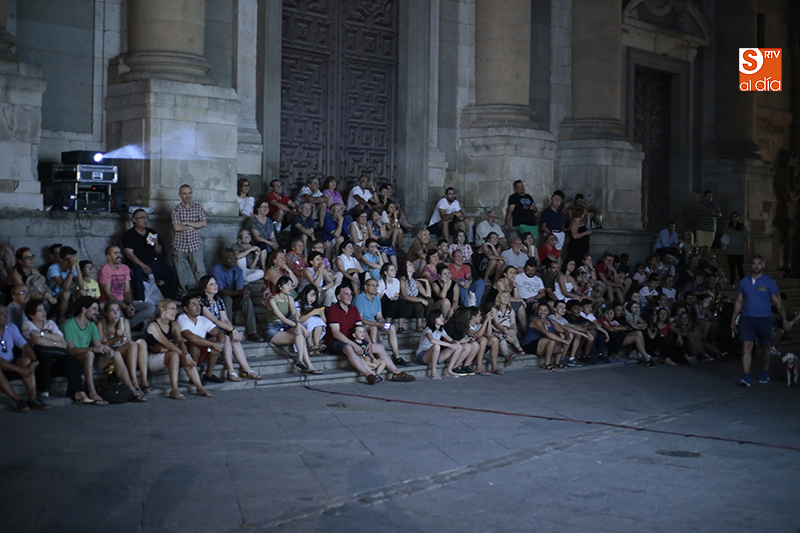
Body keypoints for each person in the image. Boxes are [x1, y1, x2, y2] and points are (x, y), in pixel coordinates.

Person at [324, 285, 415, 383]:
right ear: (338, 297)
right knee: (348, 348)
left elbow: (361, 328)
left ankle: (396, 372)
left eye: (351, 294)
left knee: (379, 347)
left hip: (356, 338)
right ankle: (369, 375)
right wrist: (354, 345)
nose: (350, 296)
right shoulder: (333, 310)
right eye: (346, 294)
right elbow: (336, 333)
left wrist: (369, 342)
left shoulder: (354, 308)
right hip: (336, 342)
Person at [63, 296, 145, 403]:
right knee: (89, 354)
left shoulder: (92, 326)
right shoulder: (68, 324)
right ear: (84, 309)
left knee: (116, 354)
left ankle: (132, 390)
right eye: (94, 309)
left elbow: (99, 346)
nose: (97, 312)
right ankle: (92, 392)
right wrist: (93, 348)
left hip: (93, 361)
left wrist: (107, 350)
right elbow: (71, 350)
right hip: (74, 362)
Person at [731, 256, 790, 386]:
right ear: (750, 265)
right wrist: (733, 319)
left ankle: (765, 370)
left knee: (765, 346)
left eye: (759, 263)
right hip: (747, 318)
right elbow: (739, 301)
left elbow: (778, 302)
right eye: (754, 263)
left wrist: (784, 319)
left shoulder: (769, 282)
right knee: (746, 345)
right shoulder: (744, 282)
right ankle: (746, 375)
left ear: (763, 265)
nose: (756, 266)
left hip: (764, 319)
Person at [196, 274, 262, 381]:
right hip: (207, 332)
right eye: (211, 284)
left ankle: (247, 370)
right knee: (225, 338)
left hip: (219, 330)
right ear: (204, 288)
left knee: (233, 339)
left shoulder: (218, 300)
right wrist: (232, 330)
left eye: (215, 283)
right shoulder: (201, 302)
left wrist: (233, 331)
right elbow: (214, 320)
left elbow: (225, 319)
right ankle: (231, 371)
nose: (215, 286)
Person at [144, 299, 213, 399]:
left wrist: (186, 354)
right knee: (175, 354)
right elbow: (167, 344)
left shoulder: (174, 324)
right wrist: (185, 355)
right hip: (151, 359)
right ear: (163, 311)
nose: (176, 312)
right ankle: (175, 389)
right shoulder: (153, 325)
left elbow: (180, 342)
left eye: (176, 309)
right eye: (172, 309)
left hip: (166, 354)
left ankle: (200, 387)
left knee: (181, 354)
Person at [21, 299, 86, 401]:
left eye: (44, 310)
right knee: (44, 355)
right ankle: (44, 388)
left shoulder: (50, 323)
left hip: (55, 360)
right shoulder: (27, 325)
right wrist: (55, 342)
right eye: (39, 310)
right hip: (37, 362)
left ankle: (78, 391)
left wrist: (42, 334)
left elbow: (62, 340)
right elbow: (38, 341)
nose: (44, 312)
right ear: (31, 315)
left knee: (71, 359)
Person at [0, 304, 52, 411]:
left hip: (11, 366)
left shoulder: (11, 327)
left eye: (5, 312)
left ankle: (33, 399)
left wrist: (33, 361)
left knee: (25, 360)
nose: (5, 315)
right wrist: (19, 370)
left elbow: (24, 346)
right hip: (2, 368)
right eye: (1, 313)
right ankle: (18, 400)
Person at [265, 276, 319, 374]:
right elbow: (283, 319)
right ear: (280, 287)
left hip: (284, 327)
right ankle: (308, 365)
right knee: (300, 333)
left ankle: (302, 361)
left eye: (291, 285)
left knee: (299, 333)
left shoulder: (290, 298)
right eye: (287, 285)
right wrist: (300, 326)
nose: (290, 287)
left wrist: (298, 323)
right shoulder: (273, 300)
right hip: (273, 329)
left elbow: (294, 313)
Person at [122, 209, 180, 301]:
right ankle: (140, 300)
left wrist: (156, 244)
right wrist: (143, 266)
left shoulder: (151, 232)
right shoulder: (129, 235)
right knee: (137, 273)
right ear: (134, 220)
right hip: (138, 264)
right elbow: (129, 254)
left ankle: (169, 299)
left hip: (154, 262)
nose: (145, 220)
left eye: (146, 217)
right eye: (142, 218)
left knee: (171, 272)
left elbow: (159, 251)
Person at [98, 301, 151, 395]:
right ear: (106, 313)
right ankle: (134, 381)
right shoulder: (101, 324)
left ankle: (144, 381)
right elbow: (102, 347)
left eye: (118, 310)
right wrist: (115, 339)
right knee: (132, 345)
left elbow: (128, 341)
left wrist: (123, 340)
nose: (116, 313)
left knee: (141, 342)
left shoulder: (124, 322)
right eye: (112, 310)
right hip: (109, 353)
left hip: (125, 351)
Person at [211, 249, 263, 342]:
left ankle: (252, 332)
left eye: (234, 258)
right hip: (221, 298)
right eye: (230, 259)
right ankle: (228, 330)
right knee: (227, 299)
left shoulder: (237, 270)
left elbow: (239, 289)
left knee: (246, 300)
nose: (233, 261)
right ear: (223, 259)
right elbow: (220, 290)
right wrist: (238, 293)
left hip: (234, 297)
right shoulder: (216, 269)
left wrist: (244, 293)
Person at [98, 246, 156, 329]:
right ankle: (130, 325)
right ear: (108, 256)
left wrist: (129, 305)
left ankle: (128, 325)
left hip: (124, 301)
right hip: (111, 303)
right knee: (117, 314)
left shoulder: (125, 268)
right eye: (115, 253)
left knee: (150, 308)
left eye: (120, 252)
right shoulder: (104, 270)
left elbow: (127, 291)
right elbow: (108, 294)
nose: (119, 255)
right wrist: (124, 307)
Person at [354, 276, 406, 366]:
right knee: (374, 328)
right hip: (362, 325)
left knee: (391, 327)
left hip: (375, 323)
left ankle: (397, 356)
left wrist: (384, 323)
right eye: (372, 285)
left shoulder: (377, 299)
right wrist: (378, 324)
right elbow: (360, 319)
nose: (375, 288)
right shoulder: (359, 298)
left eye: (376, 285)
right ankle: (375, 356)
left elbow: (379, 316)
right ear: (366, 287)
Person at [177, 295, 227, 384]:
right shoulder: (181, 319)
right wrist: (213, 344)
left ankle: (209, 374)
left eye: (199, 304)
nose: (198, 307)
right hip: (185, 355)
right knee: (194, 345)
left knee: (216, 340)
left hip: (202, 352)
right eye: (194, 304)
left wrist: (220, 344)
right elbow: (191, 337)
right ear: (186, 308)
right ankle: (194, 376)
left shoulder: (202, 319)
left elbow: (219, 333)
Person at [171, 184, 208, 293]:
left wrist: (187, 223)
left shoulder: (198, 207)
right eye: (184, 193)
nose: (187, 196)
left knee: (200, 272)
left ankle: (205, 294)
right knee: (181, 274)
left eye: (189, 193)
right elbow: (176, 227)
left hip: (194, 244)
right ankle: (183, 297)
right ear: (180, 195)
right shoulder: (175, 209)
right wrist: (195, 226)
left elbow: (204, 223)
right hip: (179, 245)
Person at [416, 310, 463, 379]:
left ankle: (449, 370)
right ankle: (433, 372)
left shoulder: (441, 330)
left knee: (459, 346)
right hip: (423, 355)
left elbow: (451, 340)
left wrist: (457, 342)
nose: (442, 319)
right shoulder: (428, 329)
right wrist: (450, 345)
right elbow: (432, 340)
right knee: (436, 346)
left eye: (442, 317)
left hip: (435, 354)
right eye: (439, 317)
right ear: (433, 319)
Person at [521, 303, 570, 370]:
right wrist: (562, 341)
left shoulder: (551, 321)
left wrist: (568, 339)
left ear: (548, 312)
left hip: (542, 344)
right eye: (540, 310)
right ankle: (546, 363)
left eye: (545, 310)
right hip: (529, 345)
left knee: (562, 336)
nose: (542, 312)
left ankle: (557, 362)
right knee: (551, 340)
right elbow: (546, 333)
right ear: (537, 311)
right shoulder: (535, 320)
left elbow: (565, 331)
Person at [47, 246, 85, 323]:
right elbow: (65, 287)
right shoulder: (53, 268)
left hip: (70, 296)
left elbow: (81, 286)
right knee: (66, 294)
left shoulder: (73, 267)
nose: (71, 262)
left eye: (73, 259)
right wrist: (71, 269)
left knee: (83, 292)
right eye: (68, 259)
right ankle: (59, 320)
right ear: (61, 259)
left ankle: (80, 319)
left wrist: (77, 267)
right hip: (55, 296)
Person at [398, 260, 432, 333]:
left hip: (415, 308)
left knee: (429, 300)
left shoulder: (416, 281)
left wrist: (426, 282)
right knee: (419, 301)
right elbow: (405, 296)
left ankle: (430, 324)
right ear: (405, 268)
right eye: (410, 265)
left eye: (412, 264)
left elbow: (428, 295)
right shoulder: (402, 280)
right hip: (405, 307)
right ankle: (419, 326)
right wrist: (420, 300)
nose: (413, 266)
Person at [295, 285, 327, 354]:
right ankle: (310, 345)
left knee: (319, 321)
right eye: (311, 296)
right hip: (297, 325)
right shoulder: (297, 303)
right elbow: (299, 319)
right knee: (310, 321)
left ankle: (316, 345)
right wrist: (312, 313)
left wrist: (322, 315)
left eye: (315, 297)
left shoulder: (313, 305)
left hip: (311, 326)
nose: (313, 299)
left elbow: (324, 322)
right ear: (305, 294)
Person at [504, 180, 538, 244]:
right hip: (521, 223)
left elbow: (535, 209)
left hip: (532, 223)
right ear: (515, 189)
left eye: (522, 186)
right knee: (527, 241)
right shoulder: (513, 197)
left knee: (535, 242)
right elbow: (510, 211)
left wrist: (534, 208)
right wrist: (507, 223)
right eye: (519, 187)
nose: (522, 188)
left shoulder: (529, 196)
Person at [694, 190, 722, 256]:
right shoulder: (699, 204)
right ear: (704, 197)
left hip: (711, 228)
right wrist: (703, 212)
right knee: (700, 245)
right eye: (708, 196)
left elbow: (720, 214)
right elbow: (694, 213)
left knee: (707, 246)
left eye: (711, 196)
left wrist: (714, 213)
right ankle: (699, 259)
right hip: (701, 228)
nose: (710, 198)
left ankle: (705, 259)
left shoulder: (715, 205)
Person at [724, 211, 749, 285]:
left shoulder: (742, 227)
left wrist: (747, 247)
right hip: (730, 251)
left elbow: (747, 237)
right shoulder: (728, 226)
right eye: (733, 216)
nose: (734, 218)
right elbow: (724, 235)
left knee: (740, 267)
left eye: (736, 216)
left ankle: (742, 283)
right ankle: (732, 283)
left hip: (739, 250)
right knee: (732, 268)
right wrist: (728, 231)